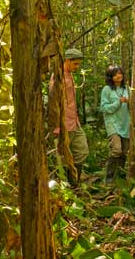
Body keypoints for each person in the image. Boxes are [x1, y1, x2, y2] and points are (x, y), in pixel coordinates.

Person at [49, 48, 89, 186]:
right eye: (75, 64)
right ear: (67, 61)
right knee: (60, 158)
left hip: (73, 122)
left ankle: (74, 181)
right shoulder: (57, 77)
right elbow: (53, 102)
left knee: (82, 151)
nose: (77, 67)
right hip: (62, 125)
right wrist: (56, 126)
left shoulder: (69, 75)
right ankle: (65, 187)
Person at [100, 65, 130, 186]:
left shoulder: (126, 88)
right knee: (116, 150)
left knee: (124, 152)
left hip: (125, 123)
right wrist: (118, 102)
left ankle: (121, 178)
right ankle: (109, 179)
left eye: (120, 73)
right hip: (112, 123)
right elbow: (104, 108)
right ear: (110, 77)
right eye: (116, 74)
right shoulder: (106, 90)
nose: (119, 76)